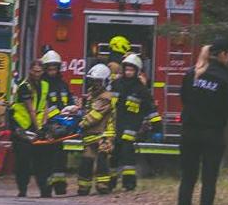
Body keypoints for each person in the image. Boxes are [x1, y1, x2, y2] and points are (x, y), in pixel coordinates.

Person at [178, 37, 228, 205]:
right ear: (222, 54)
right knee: (208, 181)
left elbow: (184, 98)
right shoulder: (224, 78)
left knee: (187, 179)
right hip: (212, 134)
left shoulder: (191, 74)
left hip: (189, 133)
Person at [111, 53, 158, 192]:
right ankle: (110, 182)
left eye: (131, 70)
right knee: (113, 154)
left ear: (137, 71)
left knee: (127, 152)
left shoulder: (141, 89)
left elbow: (150, 107)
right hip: (116, 123)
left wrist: (157, 125)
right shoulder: (115, 85)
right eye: (126, 69)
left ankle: (129, 183)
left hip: (131, 125)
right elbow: (107, 103)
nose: (128, 72)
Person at [7, 59, 51, 198]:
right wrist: (38, 129)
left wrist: (44, 125)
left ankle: (44, 189)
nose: (37, 74)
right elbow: (30, 109)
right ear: (30, 71)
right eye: (34, 71)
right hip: (22, 126)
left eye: (39, 71)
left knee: (41, 160)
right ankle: (22, 189)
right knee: (23, 161)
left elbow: (44, 106)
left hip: (35, 126)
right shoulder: (24, 86)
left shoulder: (45, 85)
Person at [76, 63, 118, 195]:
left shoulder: (106, 97)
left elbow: (96, 115)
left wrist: (81, 124)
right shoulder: (91, 94)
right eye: (93, 81)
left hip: (104, 134)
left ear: (105, 81)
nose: (95, 84)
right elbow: (87, 110)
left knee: (102, 161)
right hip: (90, 134)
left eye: (98, 81)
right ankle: (84, 187)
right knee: (86, 161)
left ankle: (103, 186)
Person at [39, 50, 76, 196]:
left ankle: (60, 185)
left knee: (60, 157)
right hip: (49, 126)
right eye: (49, 68)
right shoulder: (42, 85)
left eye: (55, 68)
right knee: (47, 158)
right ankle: (46, 187)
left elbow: (69, 101)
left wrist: (73, 109)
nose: (52, 71)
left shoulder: (63, 85)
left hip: (63, 126)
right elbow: (43, 107)